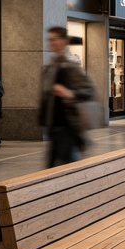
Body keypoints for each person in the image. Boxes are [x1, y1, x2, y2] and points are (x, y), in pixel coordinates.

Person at [38, 26, 96, 168]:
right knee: (54, 169)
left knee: (63, 169)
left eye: (55, 39)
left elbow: (89, 90)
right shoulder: (50, 67)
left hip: (68, 127)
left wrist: (70, 93)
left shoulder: (71, 66)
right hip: (53, 128)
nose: (51, 43)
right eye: (49, 39)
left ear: (64, 41)